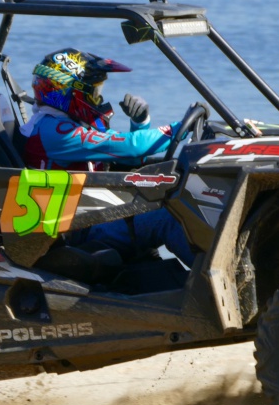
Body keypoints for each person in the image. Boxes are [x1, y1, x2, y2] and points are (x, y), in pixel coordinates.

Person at [19, 48, 196, 266]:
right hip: (78, 228)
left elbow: (127, 157)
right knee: (167, 218)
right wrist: (183, 127)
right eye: (93, 93)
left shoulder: (62, 124)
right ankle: (210, 281)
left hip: (90, 215)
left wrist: (140, 122)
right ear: (68, 92)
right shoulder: (54, 132)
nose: (98, 99)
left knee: (172, 201)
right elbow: (132, 147)